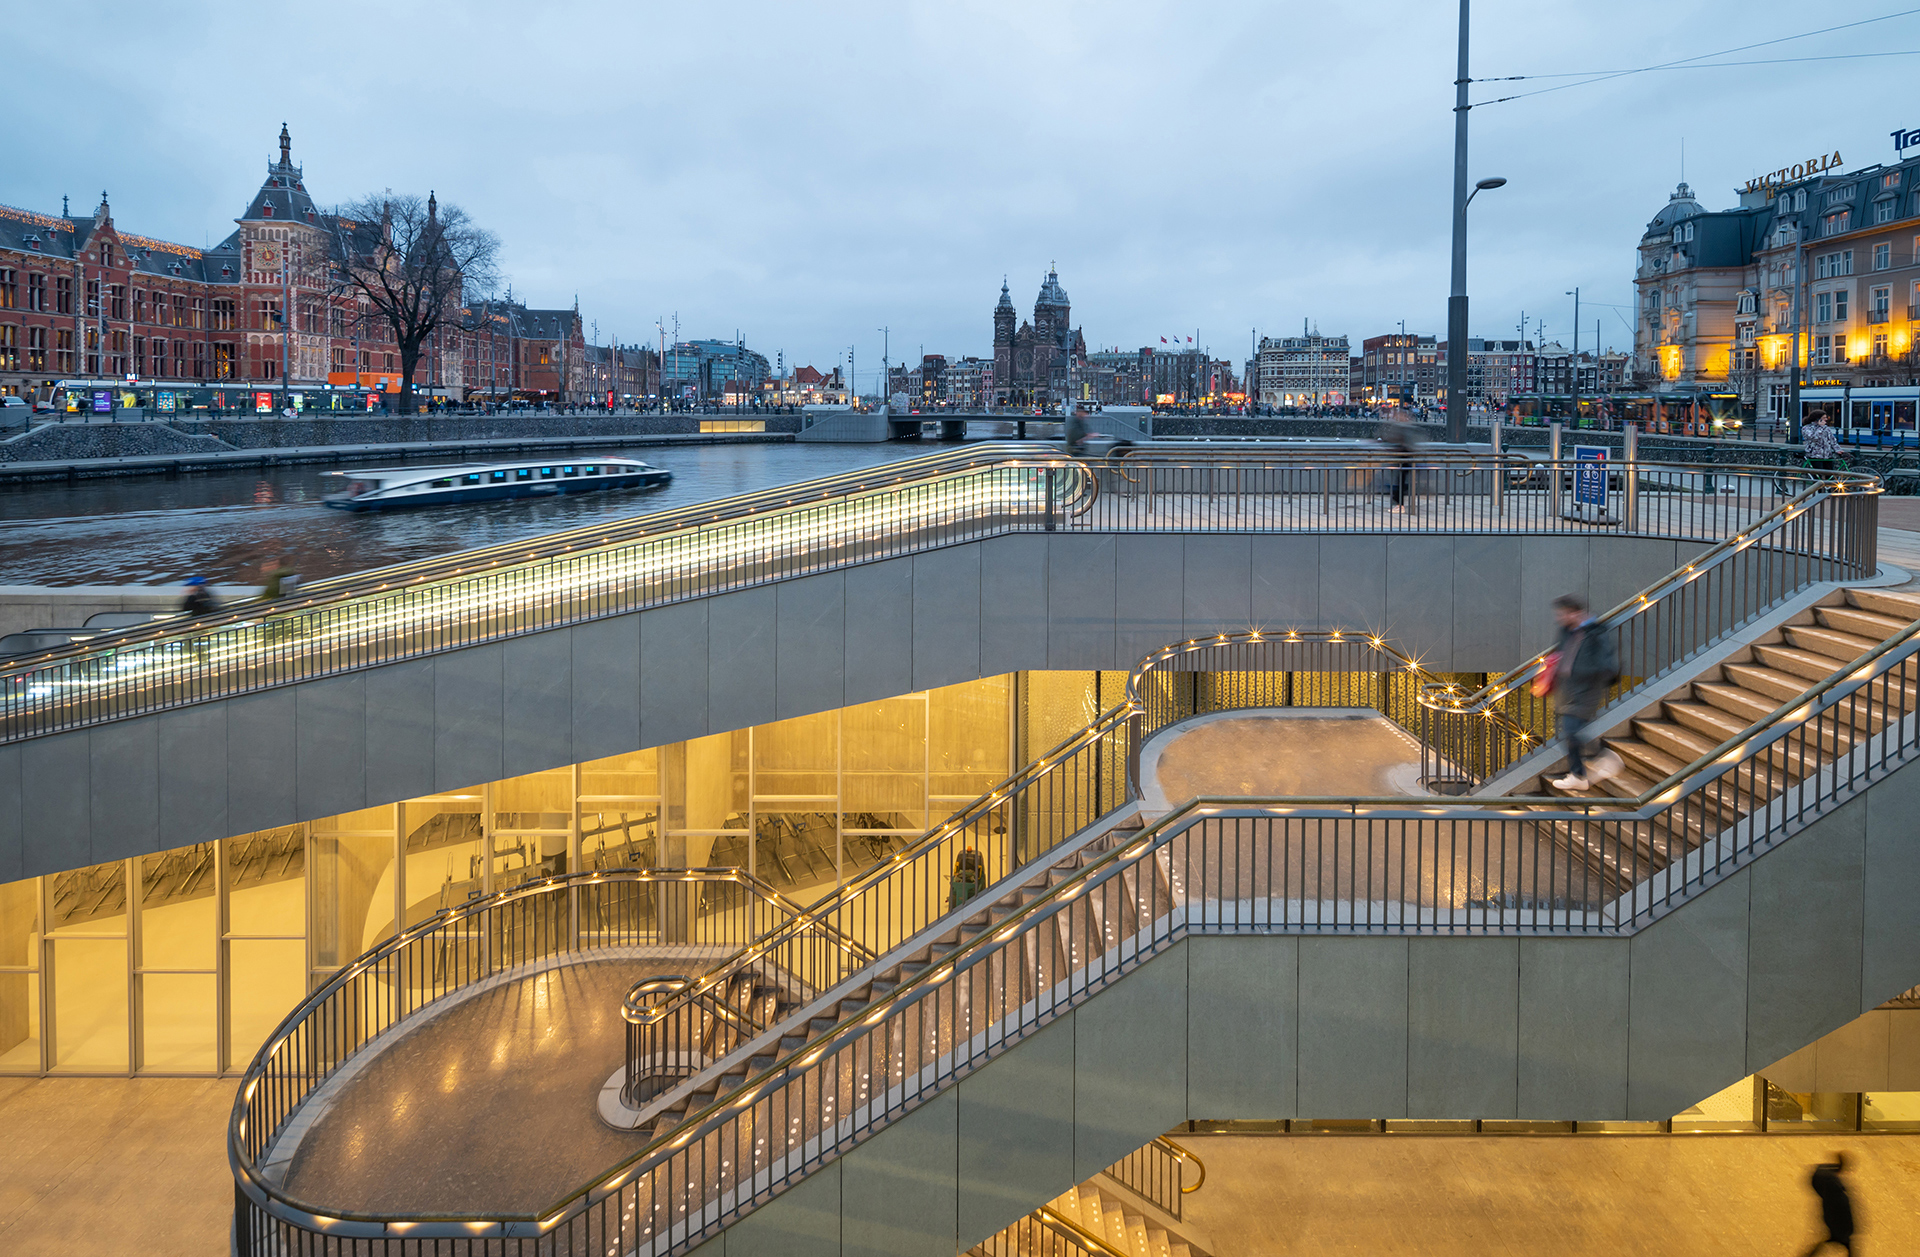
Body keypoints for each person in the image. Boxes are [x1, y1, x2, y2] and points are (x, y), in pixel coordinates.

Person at [1546, 593, 1624, 791]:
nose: (1560, 618)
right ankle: (1580, 774)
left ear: (1576, 613)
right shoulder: (1566, 631)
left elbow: (1608, 665)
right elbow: (1561, 654)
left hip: (1587, 690)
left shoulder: (1596, 633)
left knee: (1572, 730)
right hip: (1567, 688)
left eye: (1563, 614)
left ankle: (1600, 758)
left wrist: (1584, 673)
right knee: (1567, 732)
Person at [1799, 1155, 1855, 1255]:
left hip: (1836, 1223)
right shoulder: (1833, 1186)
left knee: (1830, 1243)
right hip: (1839, 1225)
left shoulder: (1829, 1181)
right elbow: (1840, 1208)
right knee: (1843, 1245)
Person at [1378, 419, 1419, 512]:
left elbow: (1401, 446)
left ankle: (1400, 505)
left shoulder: (1403, 431)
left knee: (1400, 482)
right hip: (1405, 461)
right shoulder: (1407, 431)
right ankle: (1399, 504)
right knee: (1400, 482)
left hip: (1404, 461)